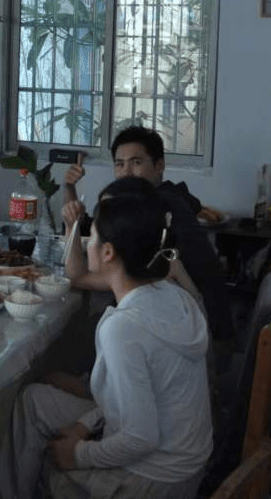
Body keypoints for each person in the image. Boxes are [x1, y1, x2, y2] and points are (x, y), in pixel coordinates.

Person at [0, 191, 212, 499]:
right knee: (36, 400)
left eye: (90, 236)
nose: (86, 242)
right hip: (182, 467)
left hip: (153, 493)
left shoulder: (125, 326)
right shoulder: (174, 295)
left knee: (49, 470)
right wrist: (86, 425)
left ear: (107, 253)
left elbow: (140, 435)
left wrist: (79, 454)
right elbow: (142, 398)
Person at [61, 125, 233, 343]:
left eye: (137, 162)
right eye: (120, 164)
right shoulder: (162, 198)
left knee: (75, 337)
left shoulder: (158, 211)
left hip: (201, 332)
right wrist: (69, 189)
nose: (126, 172)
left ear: (159, 165)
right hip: (190, 323)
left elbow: (79, 278)